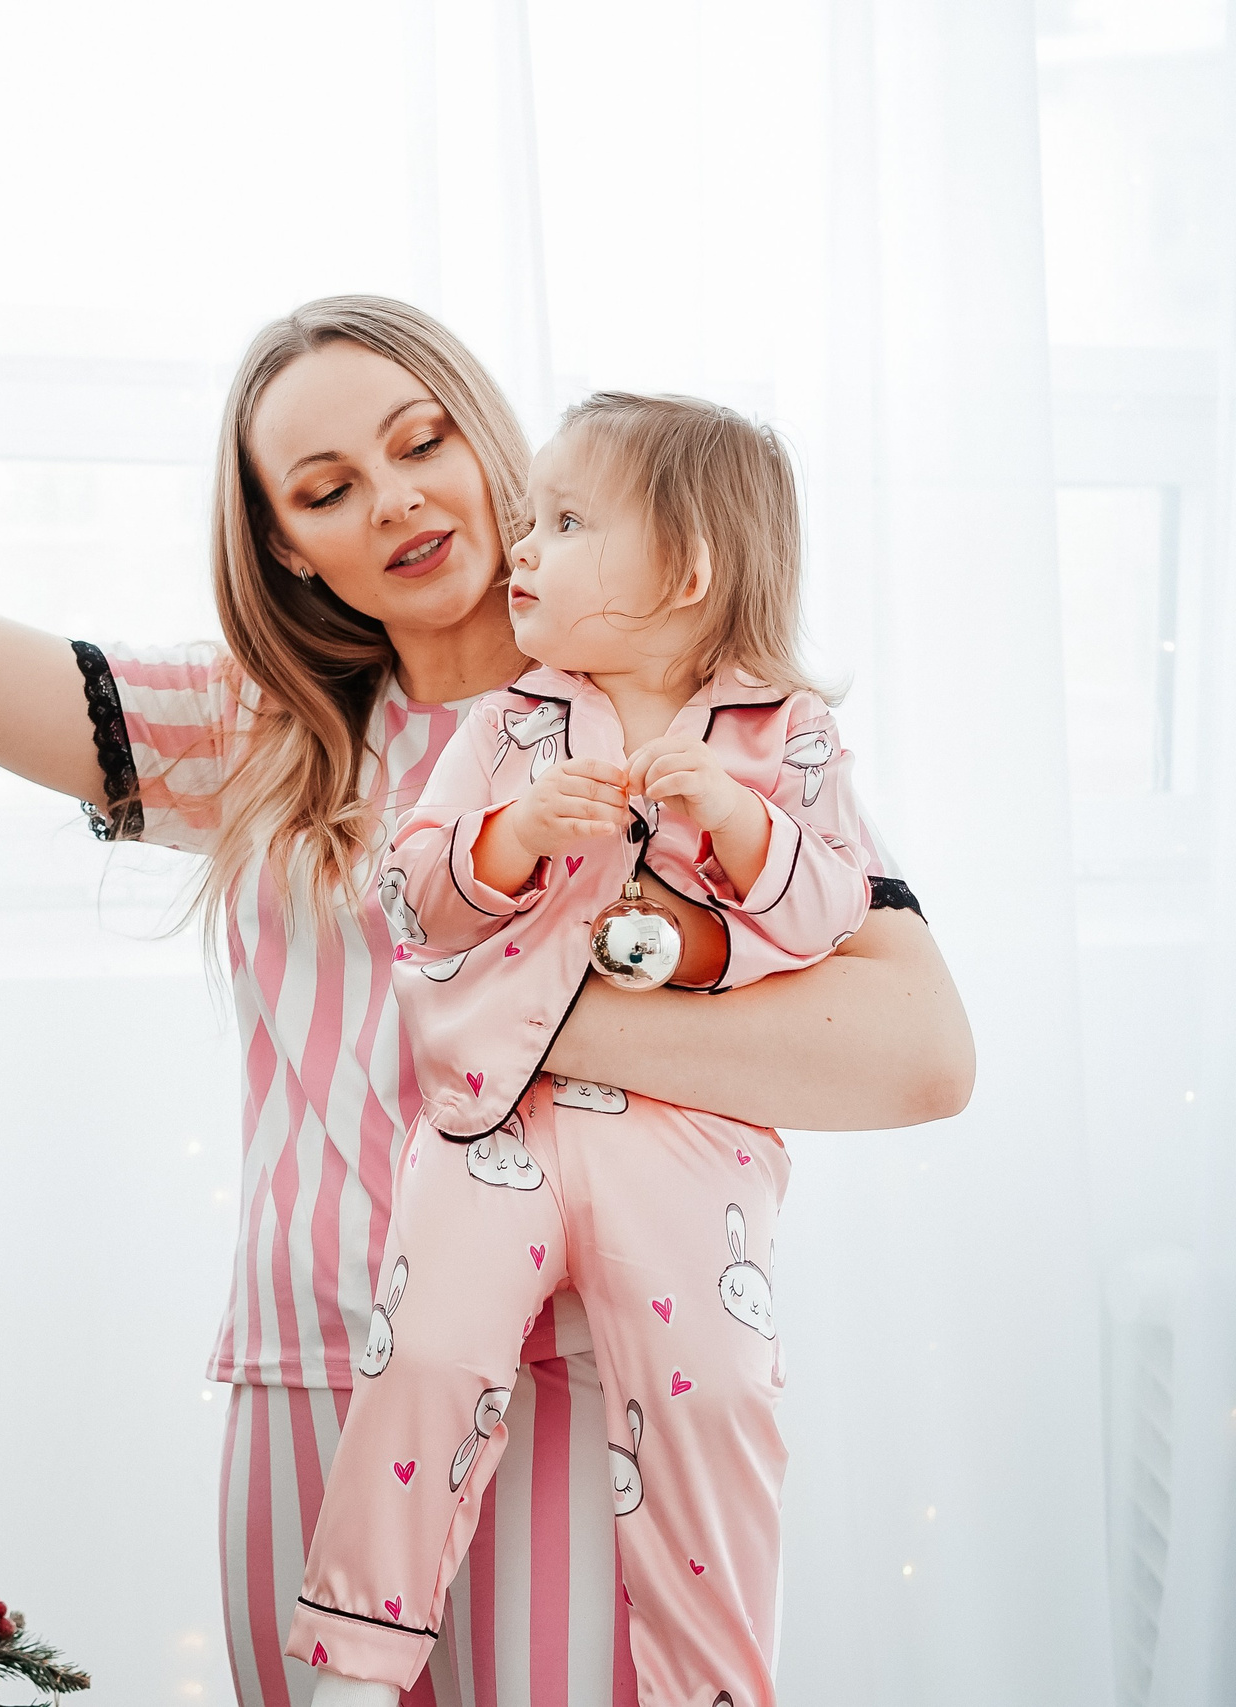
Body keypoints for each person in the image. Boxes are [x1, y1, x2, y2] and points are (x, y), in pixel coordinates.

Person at [0, 174, 974, 1707]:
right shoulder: (261, 735)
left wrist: (523, 1016)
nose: (397, 499)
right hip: (309, 1380)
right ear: (287, 547)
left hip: (584, 1378)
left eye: (422, 444)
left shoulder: (706, 722)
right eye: (328, 487)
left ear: (496, 453)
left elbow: (920, 1054)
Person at [289, 393, 873, 1707]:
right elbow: (410, 897)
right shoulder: (511, 723)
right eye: (531, 520)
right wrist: (510, 839)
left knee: (717, 1396)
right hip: (499, 1115)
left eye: (563, 522)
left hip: (687, 1134)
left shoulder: (787, 736)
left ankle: (712, 1687)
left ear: (686, 569)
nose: (522, 547)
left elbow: (834, 913)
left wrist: (740, 825)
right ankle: (358, 1666)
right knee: (426, 1355)